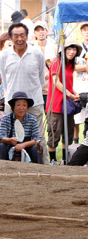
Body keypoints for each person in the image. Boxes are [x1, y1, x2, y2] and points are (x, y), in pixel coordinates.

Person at [0, 23, 49, 164]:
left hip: (34, 102)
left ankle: (45, 167)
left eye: (22, 35)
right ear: (11, 37)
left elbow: (40, 79)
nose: (19, 39)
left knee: (39, 139)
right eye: (16, 36)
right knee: (10, 138)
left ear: (27, 36)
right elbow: (5, 78)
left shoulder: (37, 53)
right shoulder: (4, 56)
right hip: (11, 103)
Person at [46, 39, 82, 164]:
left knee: (68, 133)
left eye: (74, 49)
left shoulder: (70, 65)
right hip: (56, 104)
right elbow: (57, 82)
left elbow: (68, 84)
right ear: (63, 49)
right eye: (69, 49)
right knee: (54, 132)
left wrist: (74, 93)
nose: (72, 52)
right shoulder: (57, 62)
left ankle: (66, 160)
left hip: (68, 105)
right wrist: (70, 94)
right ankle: (53, 160)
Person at [73, 22, 88, 144]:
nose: (87, 32)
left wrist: (85, 67)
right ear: (81, 32)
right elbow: (74, 67)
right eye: (84, 30)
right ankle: (76, 146)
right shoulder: (76, 48)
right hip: (78, 88)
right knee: (76, 120)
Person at [0, 92, 40, 163]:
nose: (21, 108)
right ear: (13, 107)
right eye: (18, 105)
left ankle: (37, 171)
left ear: (27, 107)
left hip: (26, 145)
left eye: (24, 105)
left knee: (34, 148)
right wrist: (9, 140)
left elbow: (36, 139)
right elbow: (1, 137)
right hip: (9, 144)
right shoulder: (6, 118)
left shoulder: (32, 119)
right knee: (2, 146)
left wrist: (23, 145)